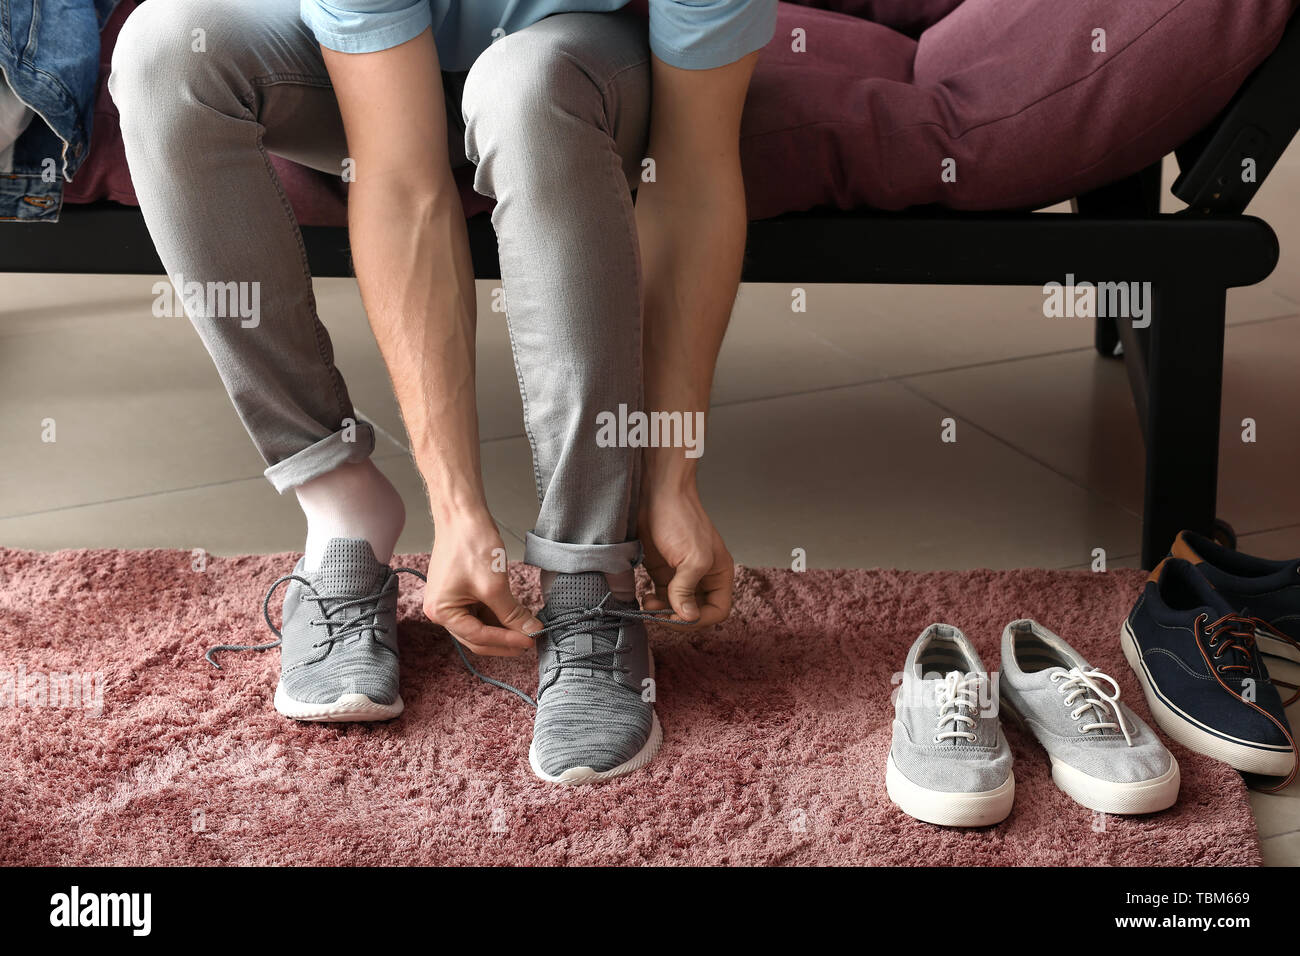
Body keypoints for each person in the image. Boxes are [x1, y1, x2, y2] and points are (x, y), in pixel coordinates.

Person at [110, 0, 774, 783]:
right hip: (374, 73)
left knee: (526, 83)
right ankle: (342, 506)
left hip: (579, 68)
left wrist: (670, 472)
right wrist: (454, 508)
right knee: (164, 50)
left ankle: (589, 570)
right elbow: (400, 177)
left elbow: (691, 179)